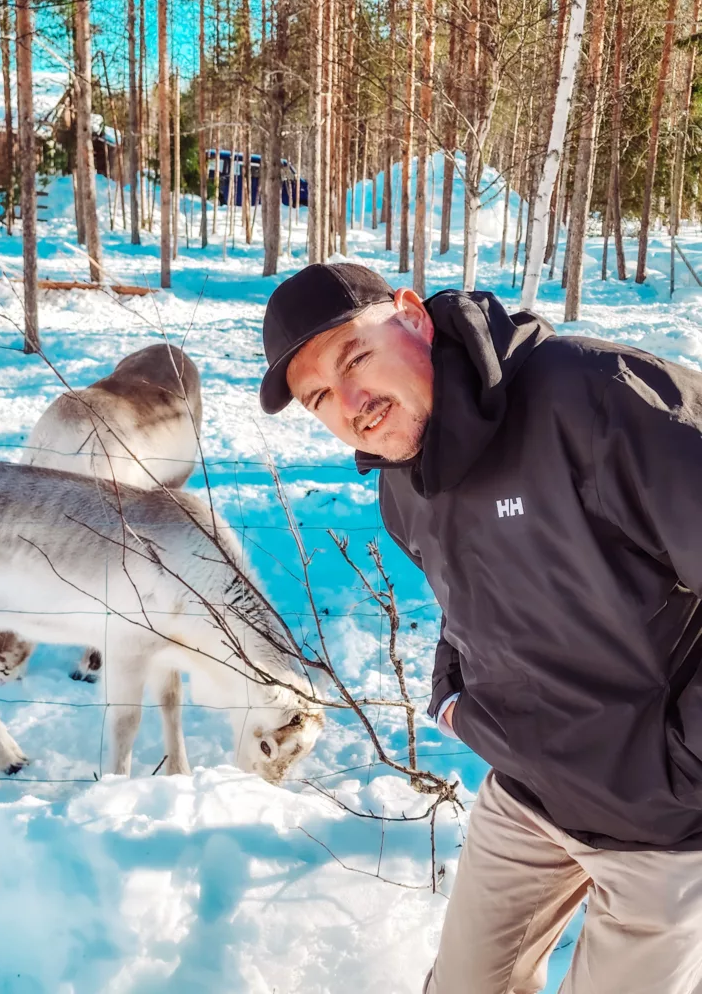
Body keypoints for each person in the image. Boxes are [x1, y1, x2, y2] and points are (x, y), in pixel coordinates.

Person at [259, 262, 702, 994]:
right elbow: (467, 600)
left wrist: (680, 771)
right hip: (526, 796)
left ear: (411, 315)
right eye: (319, 398)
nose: (350, 404)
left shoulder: (597, 401)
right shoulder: (404, 480)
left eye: (355, 357)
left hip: (665, 829)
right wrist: (452, 693)